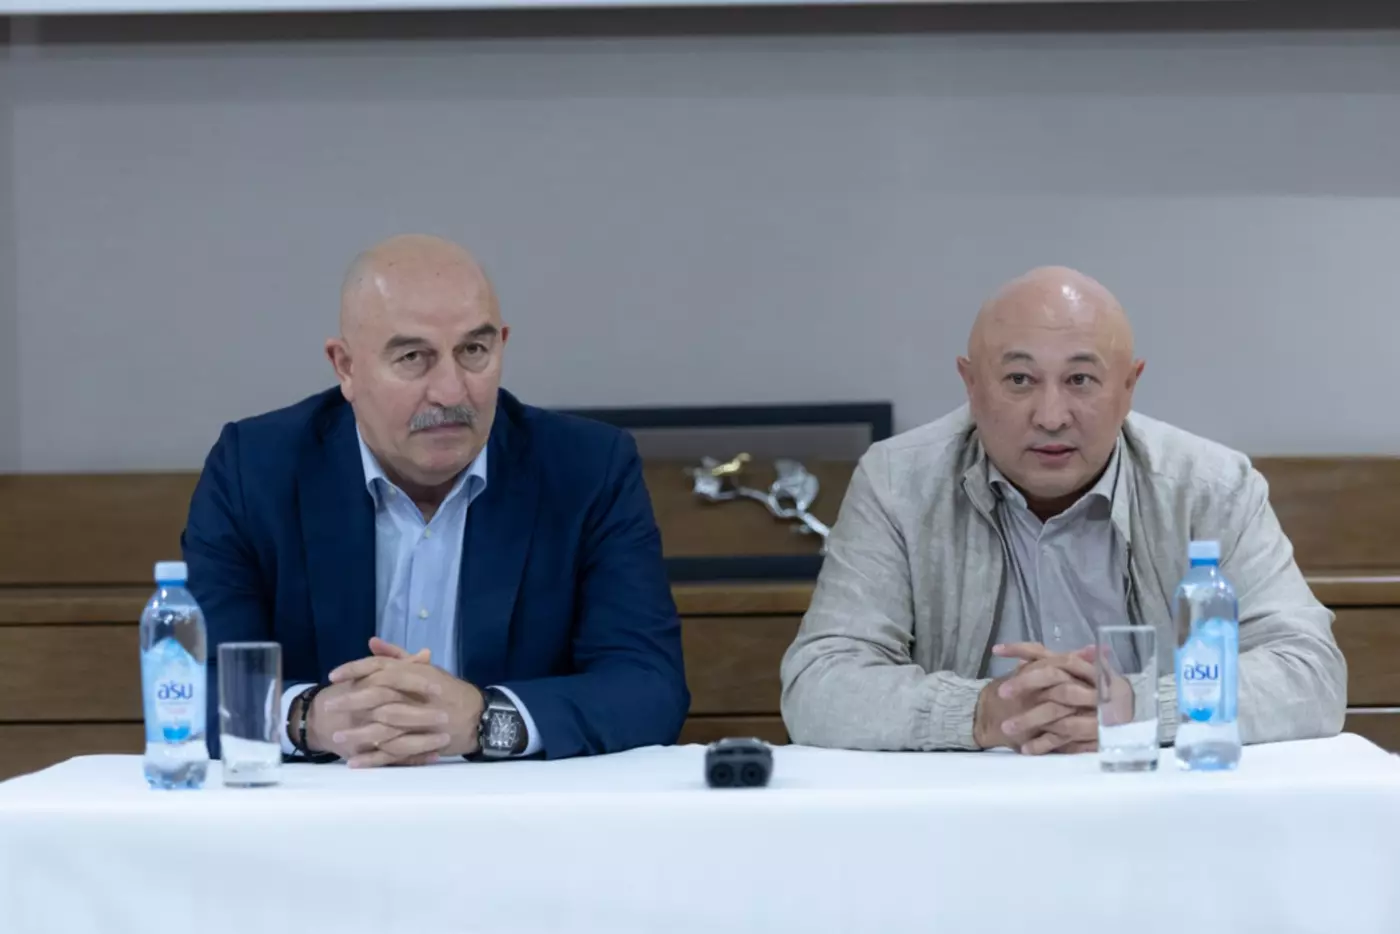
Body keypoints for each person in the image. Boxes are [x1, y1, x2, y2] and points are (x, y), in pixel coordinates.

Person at [780, 266, 1346, 754]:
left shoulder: (1211, 487)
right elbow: (819, 684)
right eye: (1019, 379)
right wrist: (981, 713)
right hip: (964, 813)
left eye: (1080, 379)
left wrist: (1136, 706)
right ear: (971, 385)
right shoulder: (896, 483)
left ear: (1128, 387)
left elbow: (1311, 673)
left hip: (1159, 807)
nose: (1051, 416)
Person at [183, 234, 689, 766]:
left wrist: (486, 720)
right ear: (346, 367)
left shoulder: (588, 469)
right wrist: (313, 719)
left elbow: (648, 685)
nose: (450, 392)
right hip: (327, 802)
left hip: (514, 806)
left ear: (501, 345)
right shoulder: (255, 470)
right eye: (412, 357)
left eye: (473, 351)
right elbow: (190, 686)